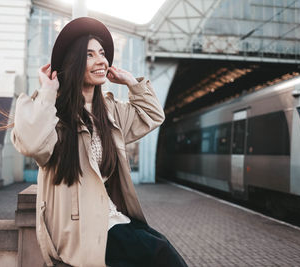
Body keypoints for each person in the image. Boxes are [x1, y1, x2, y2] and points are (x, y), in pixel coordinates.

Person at [11, 17, 188, 267]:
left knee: (162, 251)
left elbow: (153, 115)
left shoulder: (110, 112)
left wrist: (131, 83)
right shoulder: (54, 114)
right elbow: (32, 143)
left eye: (103, 53)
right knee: (161, 254)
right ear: (73, 64)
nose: (101, 61)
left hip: (111, 221)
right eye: (90, 55)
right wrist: (48, 90)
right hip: (79, 230)